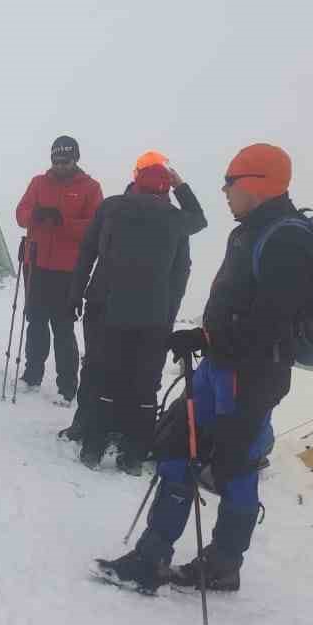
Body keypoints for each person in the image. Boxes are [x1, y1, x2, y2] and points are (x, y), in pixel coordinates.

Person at [96, 143, 313, 594]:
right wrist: (203, 338)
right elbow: (243, 309)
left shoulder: (287, 238)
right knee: (178, 447)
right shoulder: (251, 231)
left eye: (230, 182)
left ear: (256, 183)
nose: (225, 190)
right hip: (220, 369)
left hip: (251, 379)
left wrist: (214, 341)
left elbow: (272, 324)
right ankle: (152, 555)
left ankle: (222, 564)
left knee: (236, 466)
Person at [70, 151, 206, 473]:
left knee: (105, 375)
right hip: (153, 318)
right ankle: (133, 455)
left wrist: (75, 294)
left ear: (136, 182)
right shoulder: (175, 220)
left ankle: (92, 448)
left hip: (108, 310)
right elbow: (198, 221)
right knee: (144, 384)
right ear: (165, 188)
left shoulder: (112, 207)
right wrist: (182, 186)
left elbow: (87, 251)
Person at [14, 136, 103, 406]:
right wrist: (35, 216)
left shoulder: (90, 187)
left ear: (75, 159)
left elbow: (96, 226)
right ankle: (32, 375)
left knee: (63, 327)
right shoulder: (39, 182)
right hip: (36, 263)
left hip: (68, 269)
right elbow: (20, 213)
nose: (59, 166)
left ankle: (67, 387)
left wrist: (64, 223)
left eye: (65, 161)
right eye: (55, 160)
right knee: (36, 321)